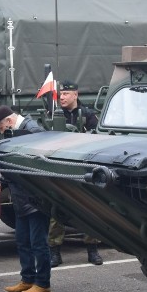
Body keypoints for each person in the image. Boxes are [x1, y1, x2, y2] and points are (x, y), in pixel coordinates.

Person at [0, 105, 52, 292]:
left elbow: (40, 163)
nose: (2, 132)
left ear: (9, 121)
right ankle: (27, 279)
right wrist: (1, 180)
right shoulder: (20, 132)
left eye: (1, 128)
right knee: (23, 242)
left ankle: (42, 283)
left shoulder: (32, 130)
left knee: (38, 243)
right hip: (21, 197)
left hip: (35, 198)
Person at [50, 80, 103, 267]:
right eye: (61, 94)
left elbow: (97, 139)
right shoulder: (54, 115)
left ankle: (92, 249)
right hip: (61, 167)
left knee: (89, 208)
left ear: (75, 95)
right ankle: (55, 252)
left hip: (82, 168)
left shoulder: (88, 115)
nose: (62, 97)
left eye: (66, 94)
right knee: (57, 210)